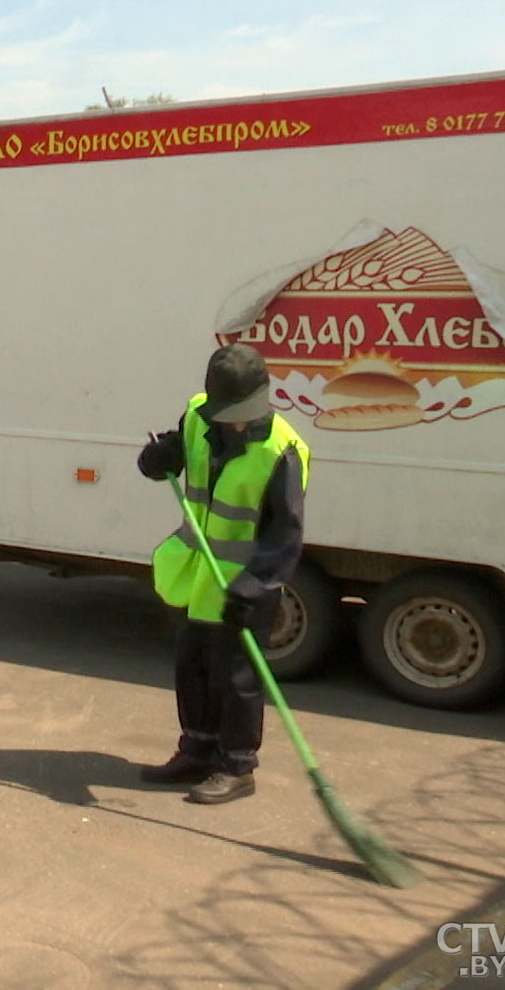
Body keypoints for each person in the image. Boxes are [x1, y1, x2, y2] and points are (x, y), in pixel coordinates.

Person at [137, 344, 308, 805]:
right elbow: (177, 451)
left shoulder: (282, 452)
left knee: (236, 679)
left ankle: (236, 766)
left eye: (243, 413)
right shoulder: (198, 417)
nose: (235, 422)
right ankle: (196, 750)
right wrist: (158, 459)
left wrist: (253, 588)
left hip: (247, 586)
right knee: (193, 668)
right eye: (228, 412)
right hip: (198, 576)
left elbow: (284, 536)